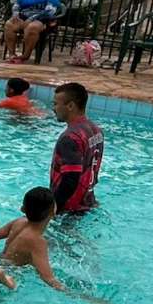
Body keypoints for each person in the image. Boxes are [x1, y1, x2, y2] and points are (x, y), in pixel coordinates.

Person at [0, 187, 62, 289]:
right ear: (53, 212)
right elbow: (48, 278)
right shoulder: (37, 241)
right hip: (4, 279)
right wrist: (74, 294)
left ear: (23, 209)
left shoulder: (19, 222)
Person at [50, 82, 103, 214]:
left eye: (55, 104)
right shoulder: (96, 130)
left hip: (69, 209)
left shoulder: (70, 138)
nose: (53, 108)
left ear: (70, 106)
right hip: (88, 202)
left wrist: (52, 210)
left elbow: (70, 179)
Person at [3, 0, 60, 64]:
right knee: (9, 25)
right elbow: (17, 4)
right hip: (24, 17)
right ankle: (12, 54)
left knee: (32, 27)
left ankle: (25, 55)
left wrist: (31, 18)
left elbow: (49, 11)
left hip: (42, 19)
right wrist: (15, 14)